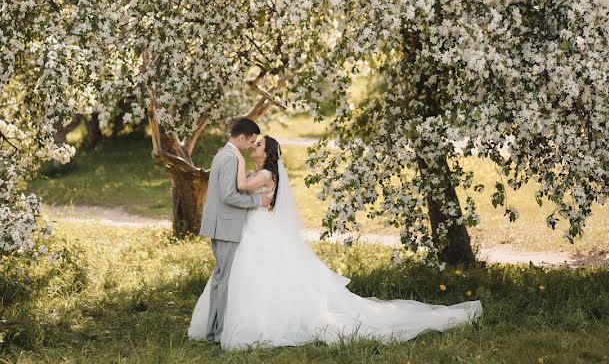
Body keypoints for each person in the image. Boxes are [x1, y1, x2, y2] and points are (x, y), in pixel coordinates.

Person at [189, 135, 483, 350]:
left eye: (257, 145)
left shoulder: (265, 173)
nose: (253, 147)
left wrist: (236, 158)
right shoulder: (264, 172)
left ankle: (252, 325)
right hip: (255, 229)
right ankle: (227, 323)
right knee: (249, 277)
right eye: (252, 144)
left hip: (260, 231)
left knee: (256, 275)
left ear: (266, 153)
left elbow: (241, 187)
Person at [196, 117, 272, 343]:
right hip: (226, 226)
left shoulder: (224, 154)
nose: (252, 146)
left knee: (221, 279)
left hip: (222, 225)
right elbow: (229, 195)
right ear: (241, 138)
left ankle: (213, 331)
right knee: (224, 280)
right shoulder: (230, 158)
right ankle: (217, 334)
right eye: (251, 141)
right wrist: (257, 201)